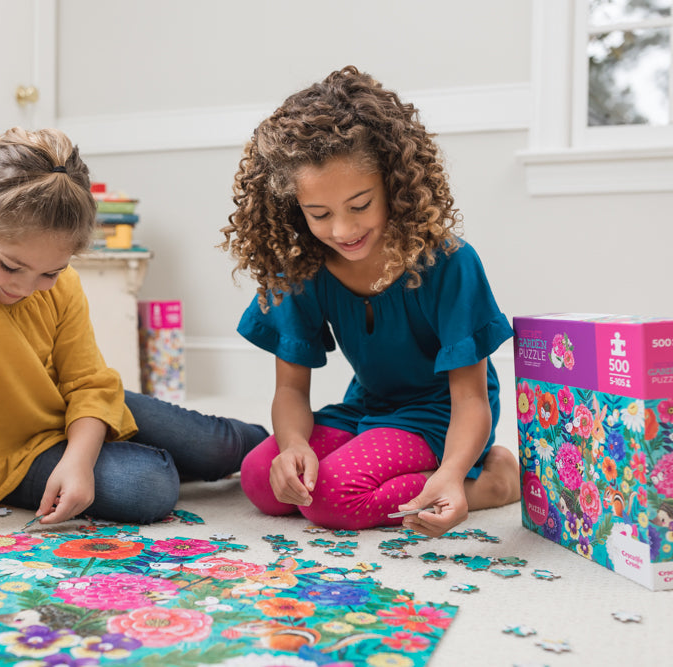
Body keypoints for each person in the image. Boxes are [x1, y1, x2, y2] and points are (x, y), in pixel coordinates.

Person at [0, 126, 267, 544]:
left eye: (49, 272)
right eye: (10, 265)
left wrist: (79, 458)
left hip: (62, 413)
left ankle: (291, 443)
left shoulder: (64, 284)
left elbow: (87, 383)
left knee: (220, 446)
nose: (22, 286)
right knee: (149, 486)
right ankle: (140, 452)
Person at [220, 66, 520, 537]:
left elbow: (470, 399)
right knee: (263, 478)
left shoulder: (450, 262)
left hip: (441, 415)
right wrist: (295, 442)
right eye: (319, 214)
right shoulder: (302, 267)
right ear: (294, 208)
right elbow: (292, 390)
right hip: (368, 404)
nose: (343, 230)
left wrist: (452, 474)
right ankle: (378, 463)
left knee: (333, 500)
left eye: (360, 205)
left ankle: (493, 481)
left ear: (394, 186)